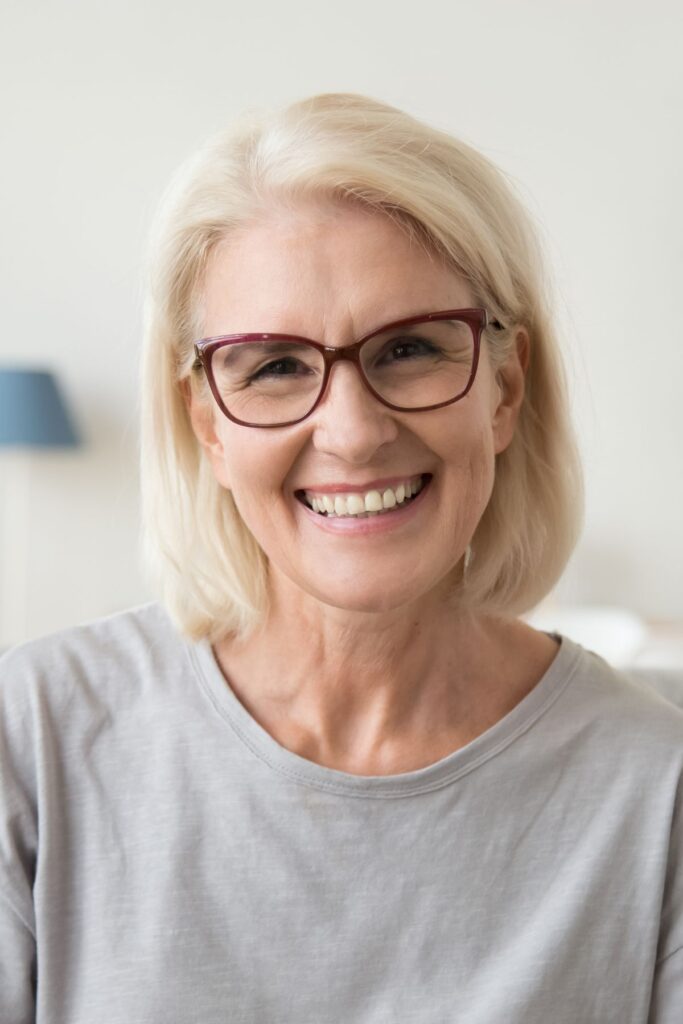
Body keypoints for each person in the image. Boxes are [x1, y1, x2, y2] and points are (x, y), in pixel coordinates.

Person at [1, 93, 681, 1024]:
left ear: (505, 388)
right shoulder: (32, 741)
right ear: (208, 424)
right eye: (273, 365)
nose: (353, 434)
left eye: (408, 349)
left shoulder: (657, 792)